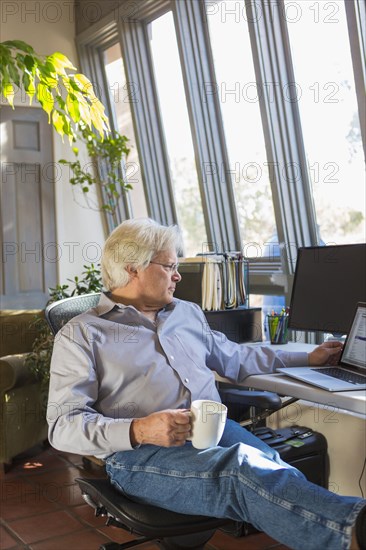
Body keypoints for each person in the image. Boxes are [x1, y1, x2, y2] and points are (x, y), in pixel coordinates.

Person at [47, 218, 366, 550]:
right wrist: (140, 429)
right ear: (133, 269)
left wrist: (306, 358)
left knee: (272, 465)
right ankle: (355, 532)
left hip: (212, 431)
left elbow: (236, 359)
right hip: (139, 456)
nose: (177, 275)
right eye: (170, 266)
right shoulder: (83, 334)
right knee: (241, 470)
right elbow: (62, 426)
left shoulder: (187, 313)